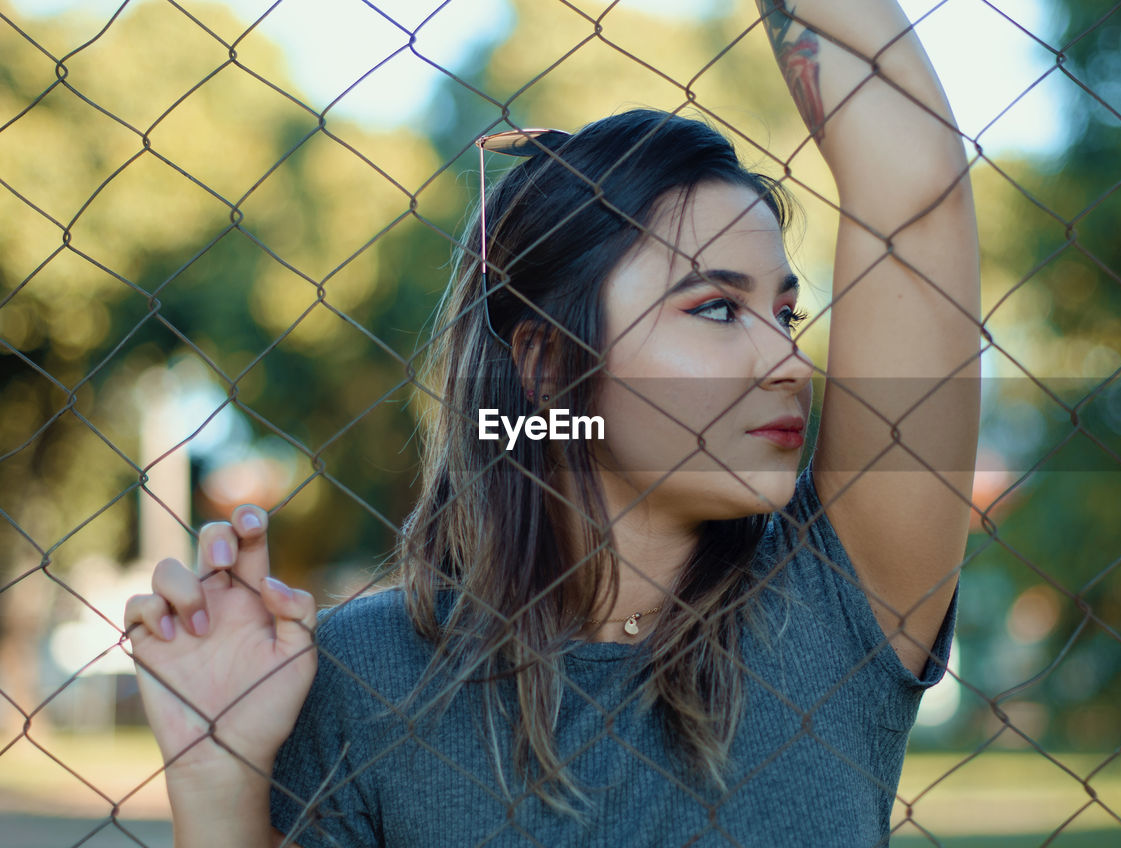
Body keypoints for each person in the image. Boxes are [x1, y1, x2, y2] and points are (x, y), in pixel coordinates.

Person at [124, 0, 980, 844]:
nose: (789, 361)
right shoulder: (368, 676)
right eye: (717, 309)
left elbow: (919, 188)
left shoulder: (835, 601)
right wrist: (217, 772)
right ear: (546, 362)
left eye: (785, 315)